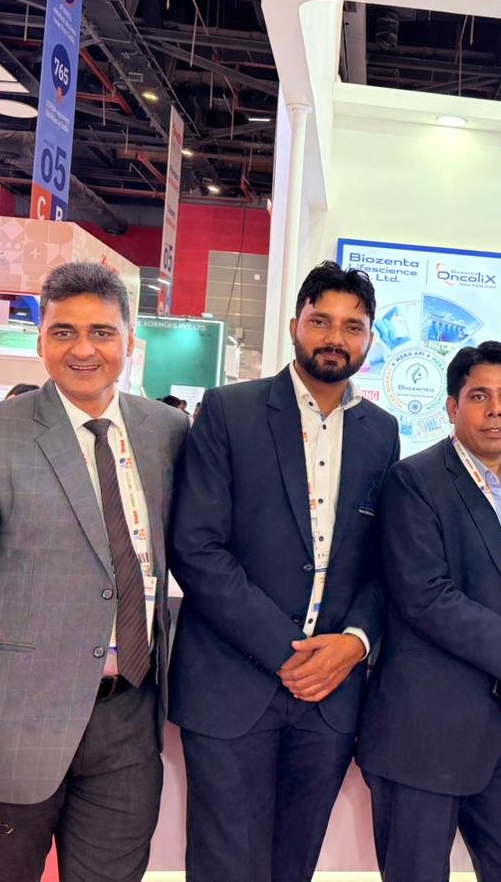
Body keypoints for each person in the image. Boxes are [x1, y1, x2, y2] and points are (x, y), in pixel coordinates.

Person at [0, 262, 189, 882]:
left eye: (101, 332)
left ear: (129, 339)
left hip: (129, 724)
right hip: (12, 731)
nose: (83, 349)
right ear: (41, 341)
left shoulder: (167, 432)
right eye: (64, 332)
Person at [168, 261, 400, 882]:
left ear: (369, 339)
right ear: (296, 325)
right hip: (231, 682)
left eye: (352, 326)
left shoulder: (381, 433)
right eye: (321, 321)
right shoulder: (230, 410)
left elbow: (386, 560)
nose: (335, 337)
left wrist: (354, 643)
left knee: (293, 865)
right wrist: (288, 652)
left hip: (330, 694)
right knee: (225, 867)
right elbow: (197, 547)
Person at [357, 341, 501, 882]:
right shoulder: (415, 481)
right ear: (453, 406)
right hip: (423, 733)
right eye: (479, 396)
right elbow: (427, 597)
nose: (495, 409)